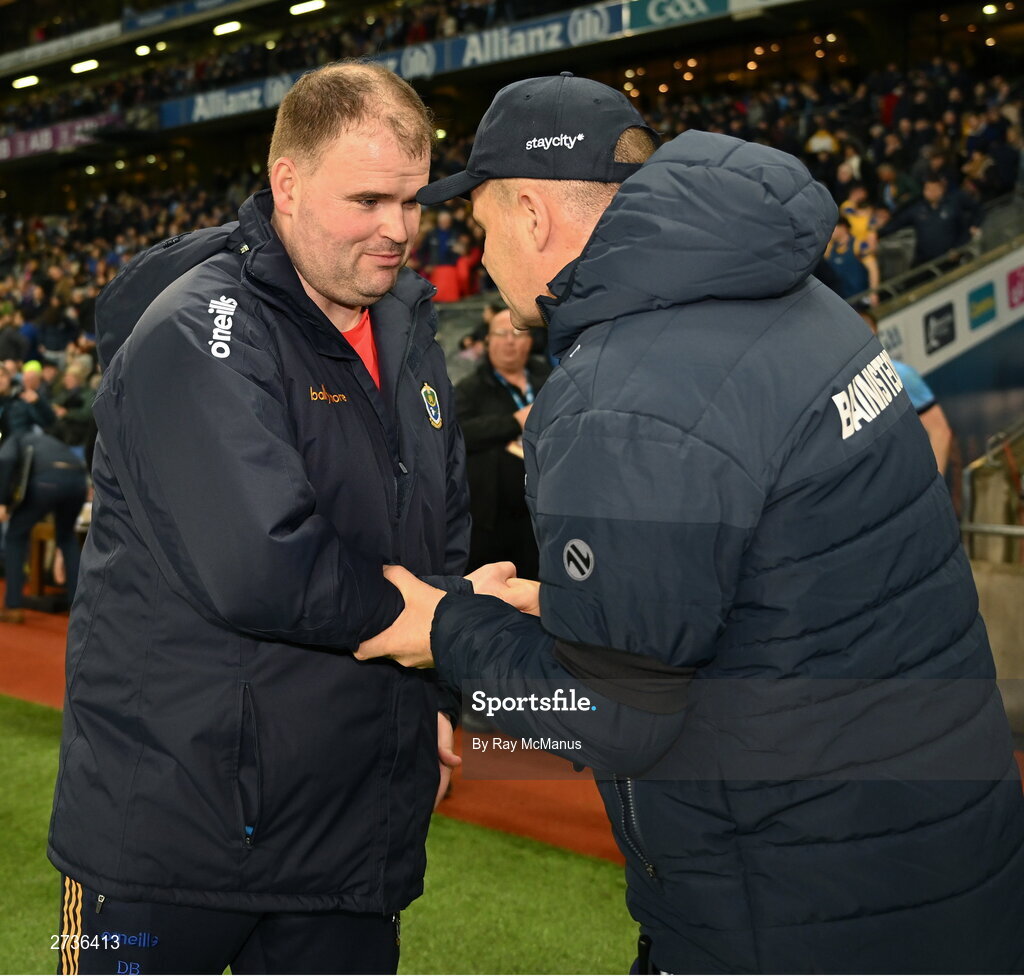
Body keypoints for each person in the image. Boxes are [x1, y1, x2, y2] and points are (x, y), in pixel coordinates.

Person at [356, 73, 1024, 972]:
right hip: (938, 856)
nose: (479, 260)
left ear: (530, 212)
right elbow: (763, 588)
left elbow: (607, 720)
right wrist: (576, 612)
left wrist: (447, 632)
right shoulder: (804, 303)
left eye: (478, 227)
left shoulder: (620, 391)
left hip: (793, 906)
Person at [47, 62, 478, 975]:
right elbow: (265, 566)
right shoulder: (199, 327)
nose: (399, 229)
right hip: (174, 842)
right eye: (367, 199)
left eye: (412, 199)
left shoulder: (407, 333)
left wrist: (433, 702)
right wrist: (447, 625)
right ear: (287, 183)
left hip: (348, 840)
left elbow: (441, 535)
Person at [455, 307, 550, 580]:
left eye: (518, 333)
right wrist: (513, 421)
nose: (510, 340)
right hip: (494, 518)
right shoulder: (471, 388)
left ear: (530, 341)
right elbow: (459, 432)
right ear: (488, 341)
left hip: (547, 509)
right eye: (502, 333)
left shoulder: (549, 380)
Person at [0, 430, 88, 624]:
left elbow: (6, 459)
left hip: (46, 481)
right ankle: (77, 605)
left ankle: (13, 606)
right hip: (77, 481)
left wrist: (3, 501)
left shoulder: (16, 437)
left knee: (15, 536)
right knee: (66, 537)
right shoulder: (49, 441)